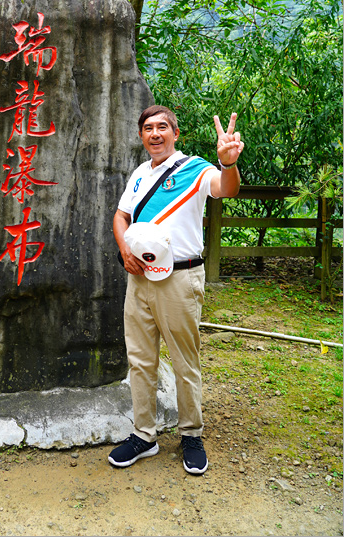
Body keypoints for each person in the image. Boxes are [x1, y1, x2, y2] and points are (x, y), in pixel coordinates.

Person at [108, 104, 244, 474]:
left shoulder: (196, 169)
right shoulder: (138, 174)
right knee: (140, 359)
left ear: (175, 134)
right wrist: (124, 249)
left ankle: (191, 434)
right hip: (138, 279)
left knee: (185, 361)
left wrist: (227, 163)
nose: (155, 134)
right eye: (148, 128)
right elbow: (121, 216)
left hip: (180, 280)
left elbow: (225, 190)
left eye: (162, 127)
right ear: (141, 136)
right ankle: (143, 434)